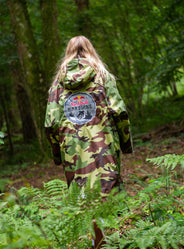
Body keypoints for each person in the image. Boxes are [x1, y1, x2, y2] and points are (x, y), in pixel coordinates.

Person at [45, 35, 133, 248]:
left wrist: (57, 154)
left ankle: (96, 240)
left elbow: (50, 124)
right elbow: (120, 112)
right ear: (91, 50)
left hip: (72, 149)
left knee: (83, 196)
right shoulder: (103, 76)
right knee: (105, 192)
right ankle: (106, 240)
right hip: (103, 144)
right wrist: (125, 143)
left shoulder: (57, 84)